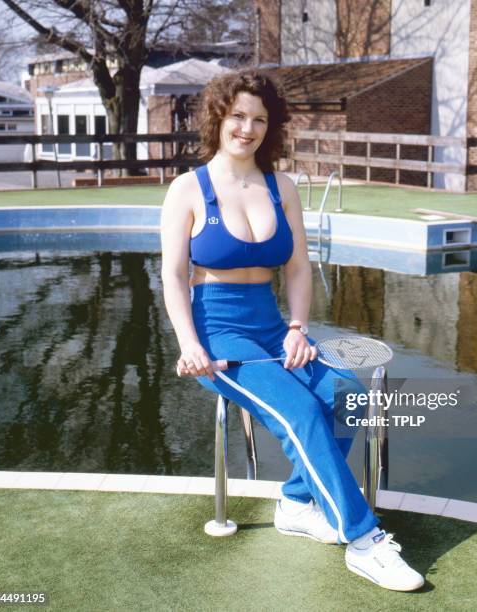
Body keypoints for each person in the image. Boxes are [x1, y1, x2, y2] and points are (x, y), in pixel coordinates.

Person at [160, 68, 424, 592]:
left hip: (273, 327)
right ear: (219, 117)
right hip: (219, 337)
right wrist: (189, 345)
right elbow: (172, 275)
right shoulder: (188, 189)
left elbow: (299, 267)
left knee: (350, 395)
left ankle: (298, 502)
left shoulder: (281, 186)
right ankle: (364, 541)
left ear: (270, 126)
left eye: (259, 119)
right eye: (237, 115)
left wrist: (298, 327)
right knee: (301, 411)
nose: (247, 128)